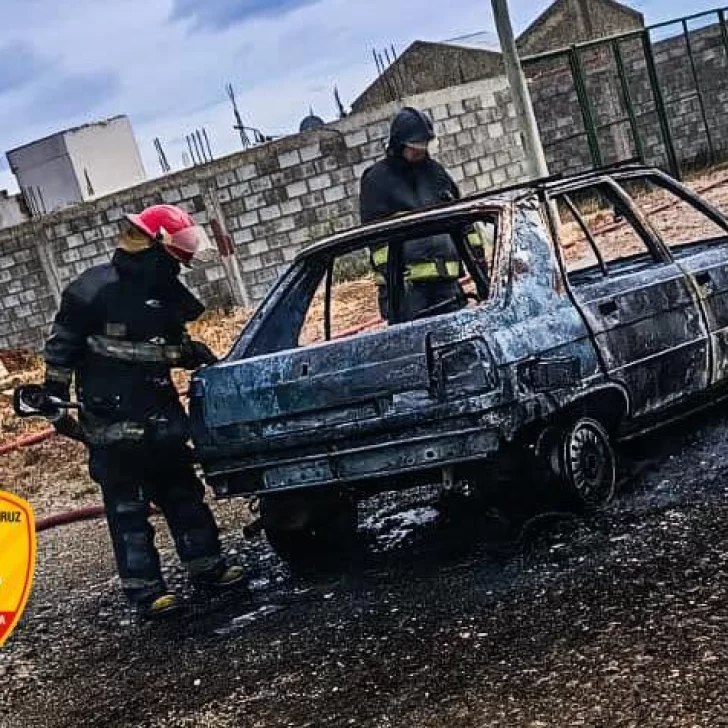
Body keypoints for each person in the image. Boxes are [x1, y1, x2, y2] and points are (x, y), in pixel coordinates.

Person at [41, 204, 245, 620]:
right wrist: (54, 400)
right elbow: (61, 350)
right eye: (177, 250)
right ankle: (147, 592)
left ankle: (208, 567)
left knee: (184, 495)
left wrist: (189, 352)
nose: (181, 262)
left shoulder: (165, 292)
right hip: (113, 422)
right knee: (128, 511)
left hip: (161, 413)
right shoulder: (92, 289)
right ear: (155, 244)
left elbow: (170, 345)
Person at [359, 106, 468, 322]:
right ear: (399, 144)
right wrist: (395, 283)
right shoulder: (377, 181)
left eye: (424, 145)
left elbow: (463, 222)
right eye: (415, 147)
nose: (421, 151)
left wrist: (479, 267)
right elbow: (376, 241)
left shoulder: (436, 174)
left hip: (447, 287)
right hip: (407, 294)